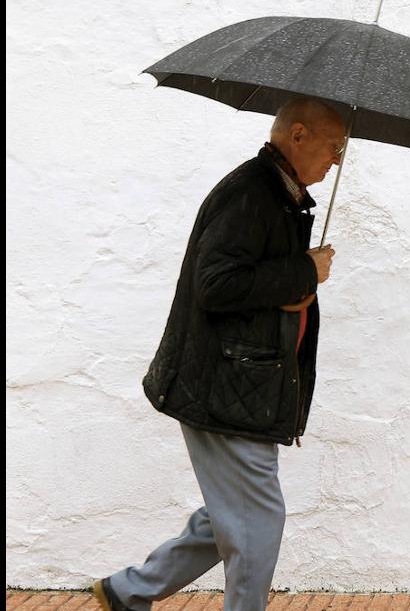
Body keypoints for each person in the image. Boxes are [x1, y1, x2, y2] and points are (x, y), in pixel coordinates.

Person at [91, 97, 347, 611]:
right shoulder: (251, 195)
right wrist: (303, 272)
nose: (336, 160)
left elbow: (252, 286)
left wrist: (297, 275)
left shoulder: (280, 195)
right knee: (257, 520)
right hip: (226, 389)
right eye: (332, 146)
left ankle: (127, 592)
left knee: (231, 513)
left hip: (240, 387)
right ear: (297, 136)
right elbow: (216, 285)